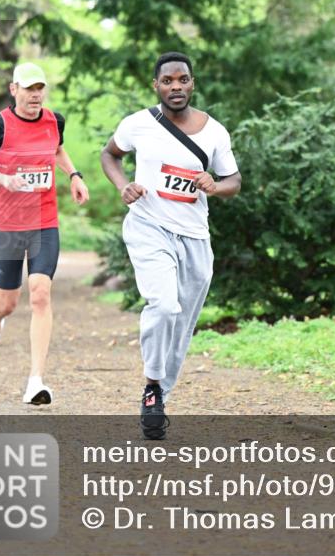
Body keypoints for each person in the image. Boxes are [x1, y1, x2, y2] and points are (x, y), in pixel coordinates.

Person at [101, 52, 241, 440]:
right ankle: (151, 388)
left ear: (192, 83)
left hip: (195, 237)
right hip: (149, 226)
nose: (175, 87)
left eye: (182, 80)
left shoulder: (215, 132)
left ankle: (161, 392)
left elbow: (234, 181)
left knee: (182, 323)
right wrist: (122, 186)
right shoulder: (138, 124)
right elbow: (109, 154)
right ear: (156, 85)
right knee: (163, 306)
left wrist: (215, 184)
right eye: (167, 81)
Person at [0, 62, 89, 404]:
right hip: (7, 226)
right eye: (29, 88)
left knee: (40, 293)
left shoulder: (54, 120)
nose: (36, 95)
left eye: (40, 89)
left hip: (44, 222)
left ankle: (36, 381)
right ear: (14, 89)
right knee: (7, 303)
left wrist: (74, 174)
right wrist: (3, 179)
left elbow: (58, 149)